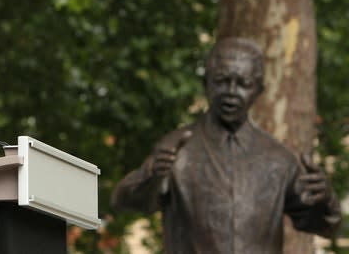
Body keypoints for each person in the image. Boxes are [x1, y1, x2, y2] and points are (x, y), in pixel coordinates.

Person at [111, 37, 341, 253]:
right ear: (206, 83)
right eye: (222, 81)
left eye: (243, 84)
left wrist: (325, 200)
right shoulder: (178, 149)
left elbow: (323, 225)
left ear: (258, 89)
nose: (231, 92)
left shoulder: (278, 159)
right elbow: (123, 200)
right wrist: (153, 175)